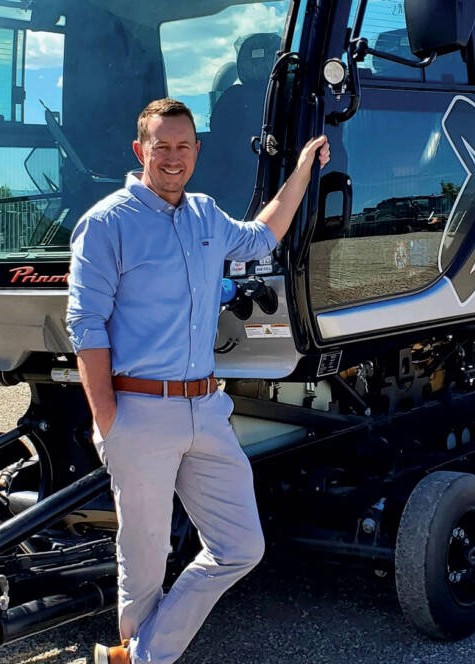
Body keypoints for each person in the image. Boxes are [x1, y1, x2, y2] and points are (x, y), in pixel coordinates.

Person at [66, 97, 330, 664]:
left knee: (240, 546)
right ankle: (144, 659)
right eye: (161, 146)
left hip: (206, 409)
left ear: (196, 152)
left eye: (184, 146)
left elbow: (263, 236)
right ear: (140, 152)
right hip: (140, 412)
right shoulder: (108, 222)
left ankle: (133, 657)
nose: (173, 157)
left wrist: (303, 171)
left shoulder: (208, 215)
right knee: (144, 561)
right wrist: (108, 421)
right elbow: (84, 325)